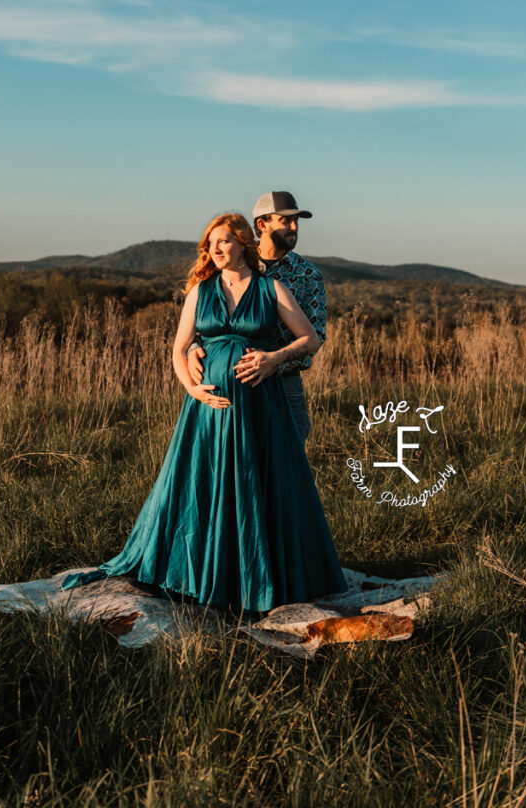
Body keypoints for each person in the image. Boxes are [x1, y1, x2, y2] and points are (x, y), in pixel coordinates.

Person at [62, 212, 347, 615]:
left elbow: (310, 338)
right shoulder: (200, 290)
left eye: (224, 241)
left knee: (259, 485)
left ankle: (260, 576)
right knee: (204, 485)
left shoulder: (271, 287)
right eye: (210, 243)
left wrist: (273, 358)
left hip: (260, 408)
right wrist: (192, 388)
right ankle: (202, 573)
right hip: (208, 411)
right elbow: (179, 349)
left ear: (244, 244)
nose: (215, 249)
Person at [188, 191, 326, 446]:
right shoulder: (229, 263)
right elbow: (203, 321)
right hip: (228, 388)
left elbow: (315, 335)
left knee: (287, 461)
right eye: (285, 221)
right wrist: (194, 347)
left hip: (285, 383)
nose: (293, 227)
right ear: (262, 225)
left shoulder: (308, 274)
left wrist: (274, 361)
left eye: (296, 221)